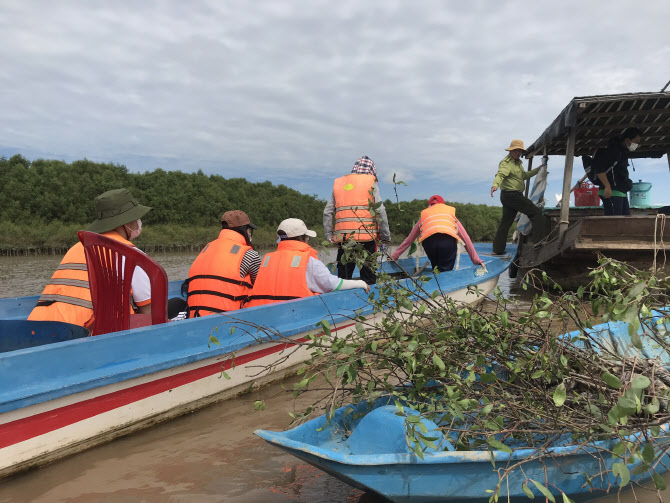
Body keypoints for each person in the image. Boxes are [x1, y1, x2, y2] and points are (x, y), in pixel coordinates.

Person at [28, 188, 153, 330]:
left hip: (38, 327)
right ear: (124, 223)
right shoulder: (131, 254)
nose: (138, 222)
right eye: (135, 218)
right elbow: (149, 311)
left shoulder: (78, 246)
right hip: (85, 334)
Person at [245, 218, 369, 308]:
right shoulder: (308, 260)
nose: (307, 241)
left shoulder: (267, 259)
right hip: (294, 314)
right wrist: (360, 283)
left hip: (259, 316)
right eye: (307, 238)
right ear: (301, 238)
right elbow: (332, 284)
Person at [323, 155, 391, 284]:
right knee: (369, 276)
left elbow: (327, 212)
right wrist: (385, 236)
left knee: (344, 277)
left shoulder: (340, 183)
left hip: (344, 239)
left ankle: (343, 301)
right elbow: (380, 210)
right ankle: (370, 301)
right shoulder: (370, 181)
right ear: (372, 171)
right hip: (367, 238)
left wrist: (329, 235)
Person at [185, 210, 261, 317]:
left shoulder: (206, 248)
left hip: (195, 317)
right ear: (246, 230)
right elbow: (261, 286)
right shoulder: (249, 255)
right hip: (228, 320)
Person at [391, 195, 484, 271]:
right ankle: (445, 290)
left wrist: (394, 256)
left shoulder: (425, 215)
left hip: (429, 244)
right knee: (445, 271)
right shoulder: (448, 213)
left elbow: (409, 239)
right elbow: (465, 238)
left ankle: (435, 286)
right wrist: (475, 259)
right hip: (447, 243)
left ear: (429, 205)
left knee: (436, 269)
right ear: (443, 205)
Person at [491, 139, 544, 255]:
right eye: (516, 151)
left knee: (505, 223)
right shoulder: (506, 163)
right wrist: (495, 185)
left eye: (519, 151)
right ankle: (538, 243)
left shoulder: (518, 163)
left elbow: (524, 176)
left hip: (511, 196)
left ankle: (497, 250)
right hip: (511, 195)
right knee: (536, 213)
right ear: (511, 151)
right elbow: (500, 175)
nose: (518, 153)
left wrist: (537, 170)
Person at [592, 127, 642, 216]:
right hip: (612, 191)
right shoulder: (613, 151)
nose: (637, 145)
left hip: (621, 192)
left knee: (625, 222)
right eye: (636, 142)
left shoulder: (622, 152)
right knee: (615, 222)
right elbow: (599, 168)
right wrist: (607, 187)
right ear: (627, 140)